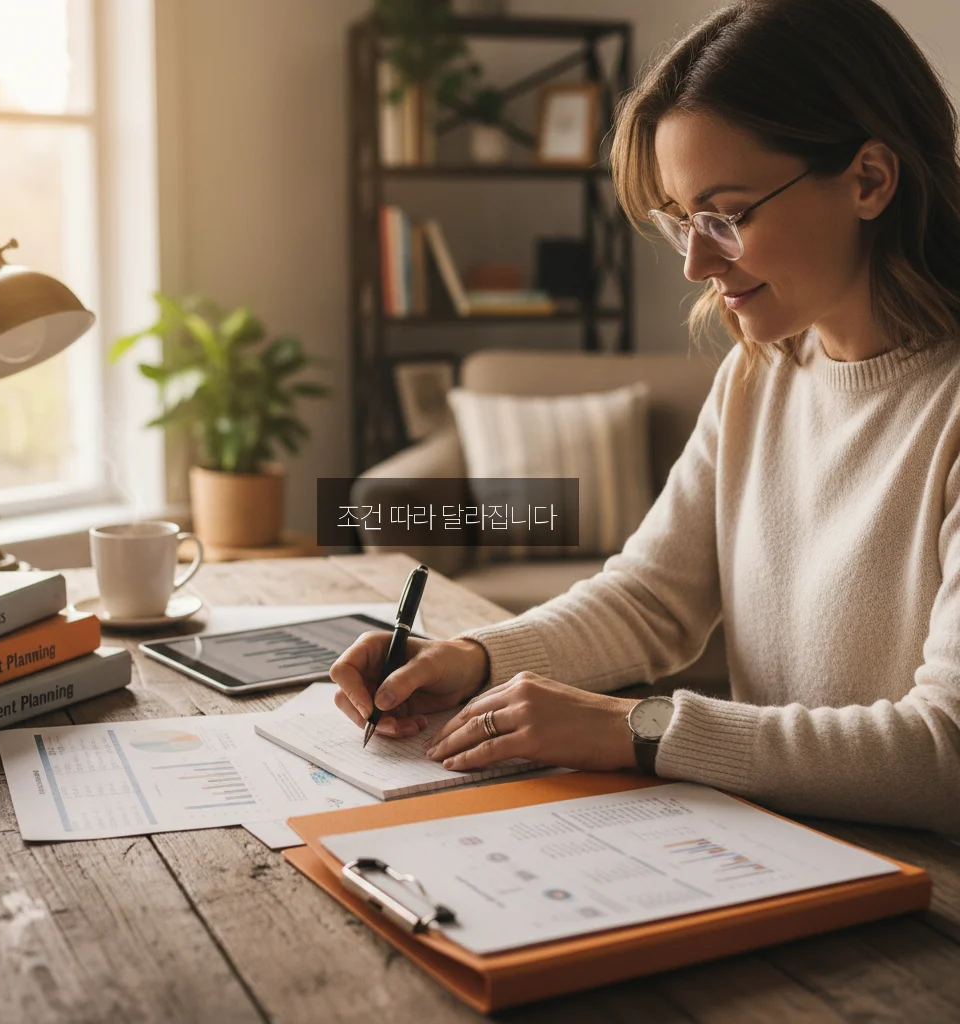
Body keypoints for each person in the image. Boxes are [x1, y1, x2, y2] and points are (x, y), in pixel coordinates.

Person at [331, 0, 960, 834]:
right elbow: (650, 599)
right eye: (681, 220)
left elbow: (944, 754)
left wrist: (640, 730)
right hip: (782, 845)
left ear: (870, 180)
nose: (697, 262)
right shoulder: (759, 373)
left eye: (727, 216)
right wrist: (475, 659)